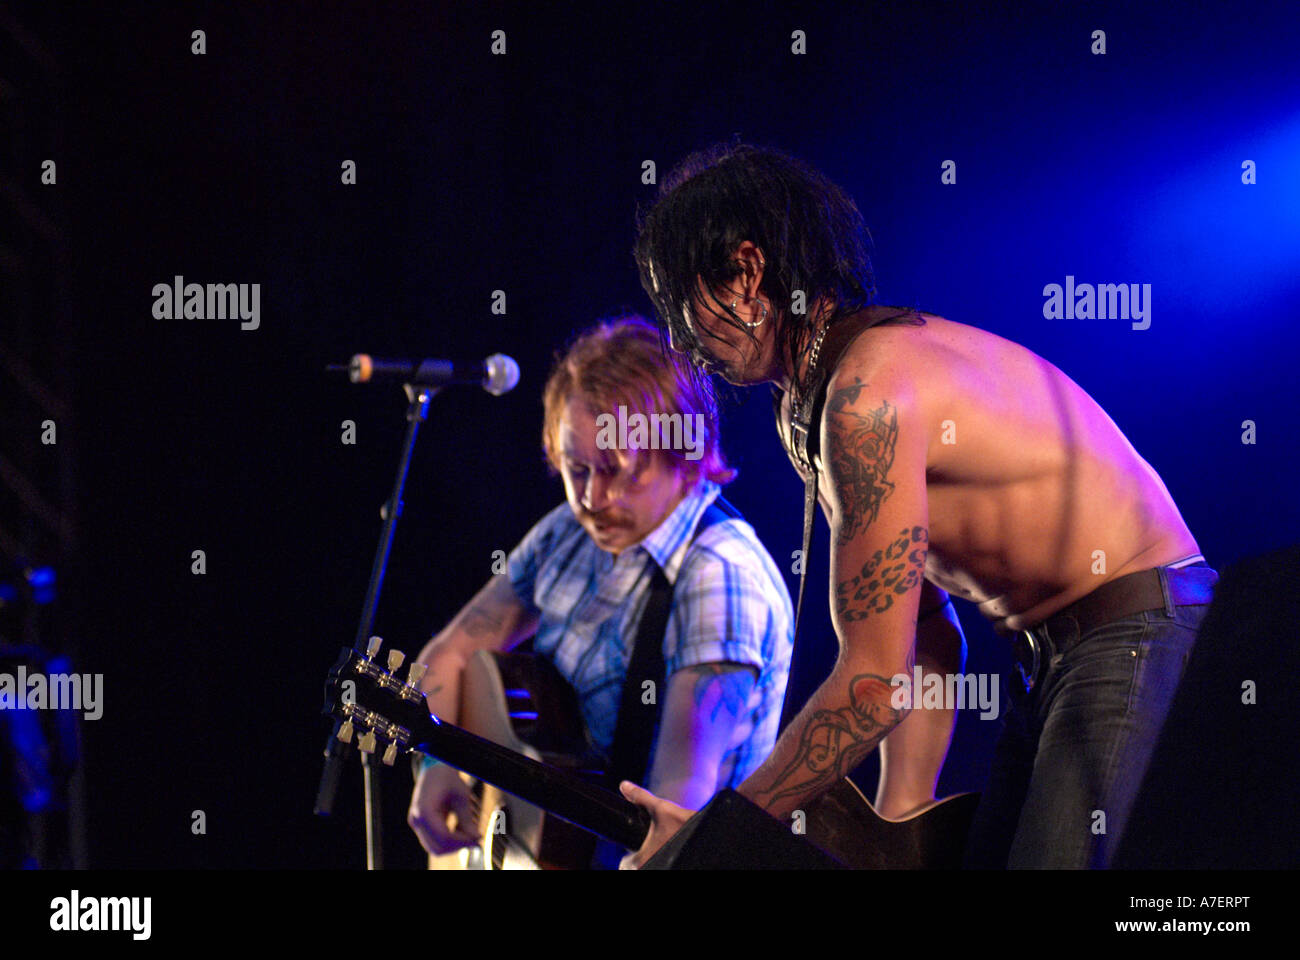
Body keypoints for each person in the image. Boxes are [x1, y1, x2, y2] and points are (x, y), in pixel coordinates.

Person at [620, 143, 1218, 869]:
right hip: (1064, 657)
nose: (683, 343)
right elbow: (925, 637)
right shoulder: (811, 406)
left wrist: (707, 843)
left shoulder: (868, 394)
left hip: (1140, 631)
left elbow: (869, 687)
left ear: (746, 274)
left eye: (682, 305)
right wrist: (897, 821)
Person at [406, 315, 796, 868]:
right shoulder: (568, 532)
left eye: (616, 471)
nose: (591, 497)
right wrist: (435, 762)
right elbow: (449, 652)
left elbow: (672, 819)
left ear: (682, 457)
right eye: (575, 468)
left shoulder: (719, 579)